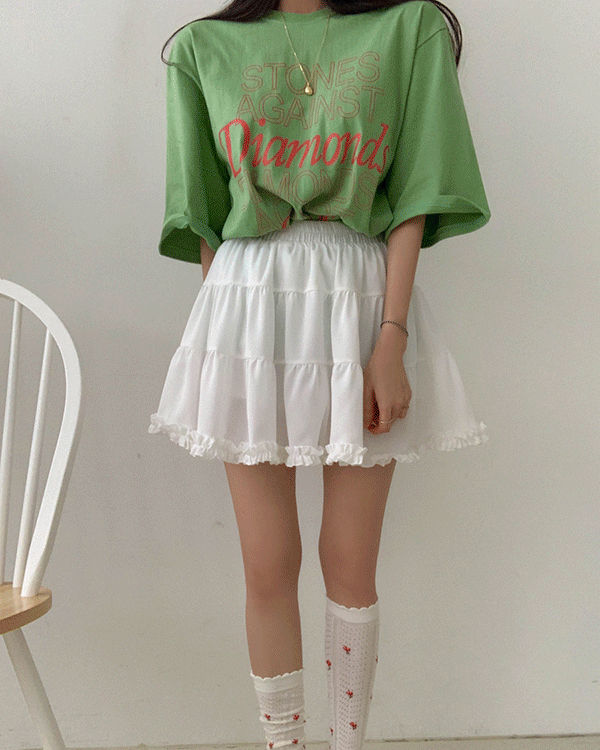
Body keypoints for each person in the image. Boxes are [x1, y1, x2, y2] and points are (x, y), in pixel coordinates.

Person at [149, 0, 491, 747]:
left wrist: (391, 339)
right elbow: (203, 214)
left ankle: (346, 742)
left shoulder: (409, 29)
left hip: (360, 298)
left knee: (350, 559)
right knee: (267, 564)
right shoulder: (202, 48)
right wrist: (228, 348)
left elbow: (418, 195)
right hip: (246, 304)